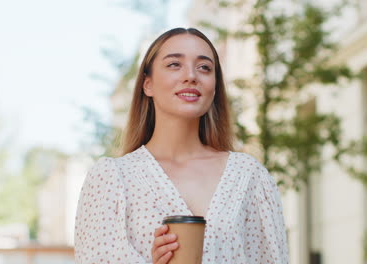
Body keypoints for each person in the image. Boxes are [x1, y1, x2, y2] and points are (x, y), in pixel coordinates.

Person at [74, 27, 288, 264]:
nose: (191, 76)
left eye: (204, 67)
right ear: (148, 85)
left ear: (214, 86)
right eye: (174, 64)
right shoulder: (112, 180)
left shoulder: (249, 176)